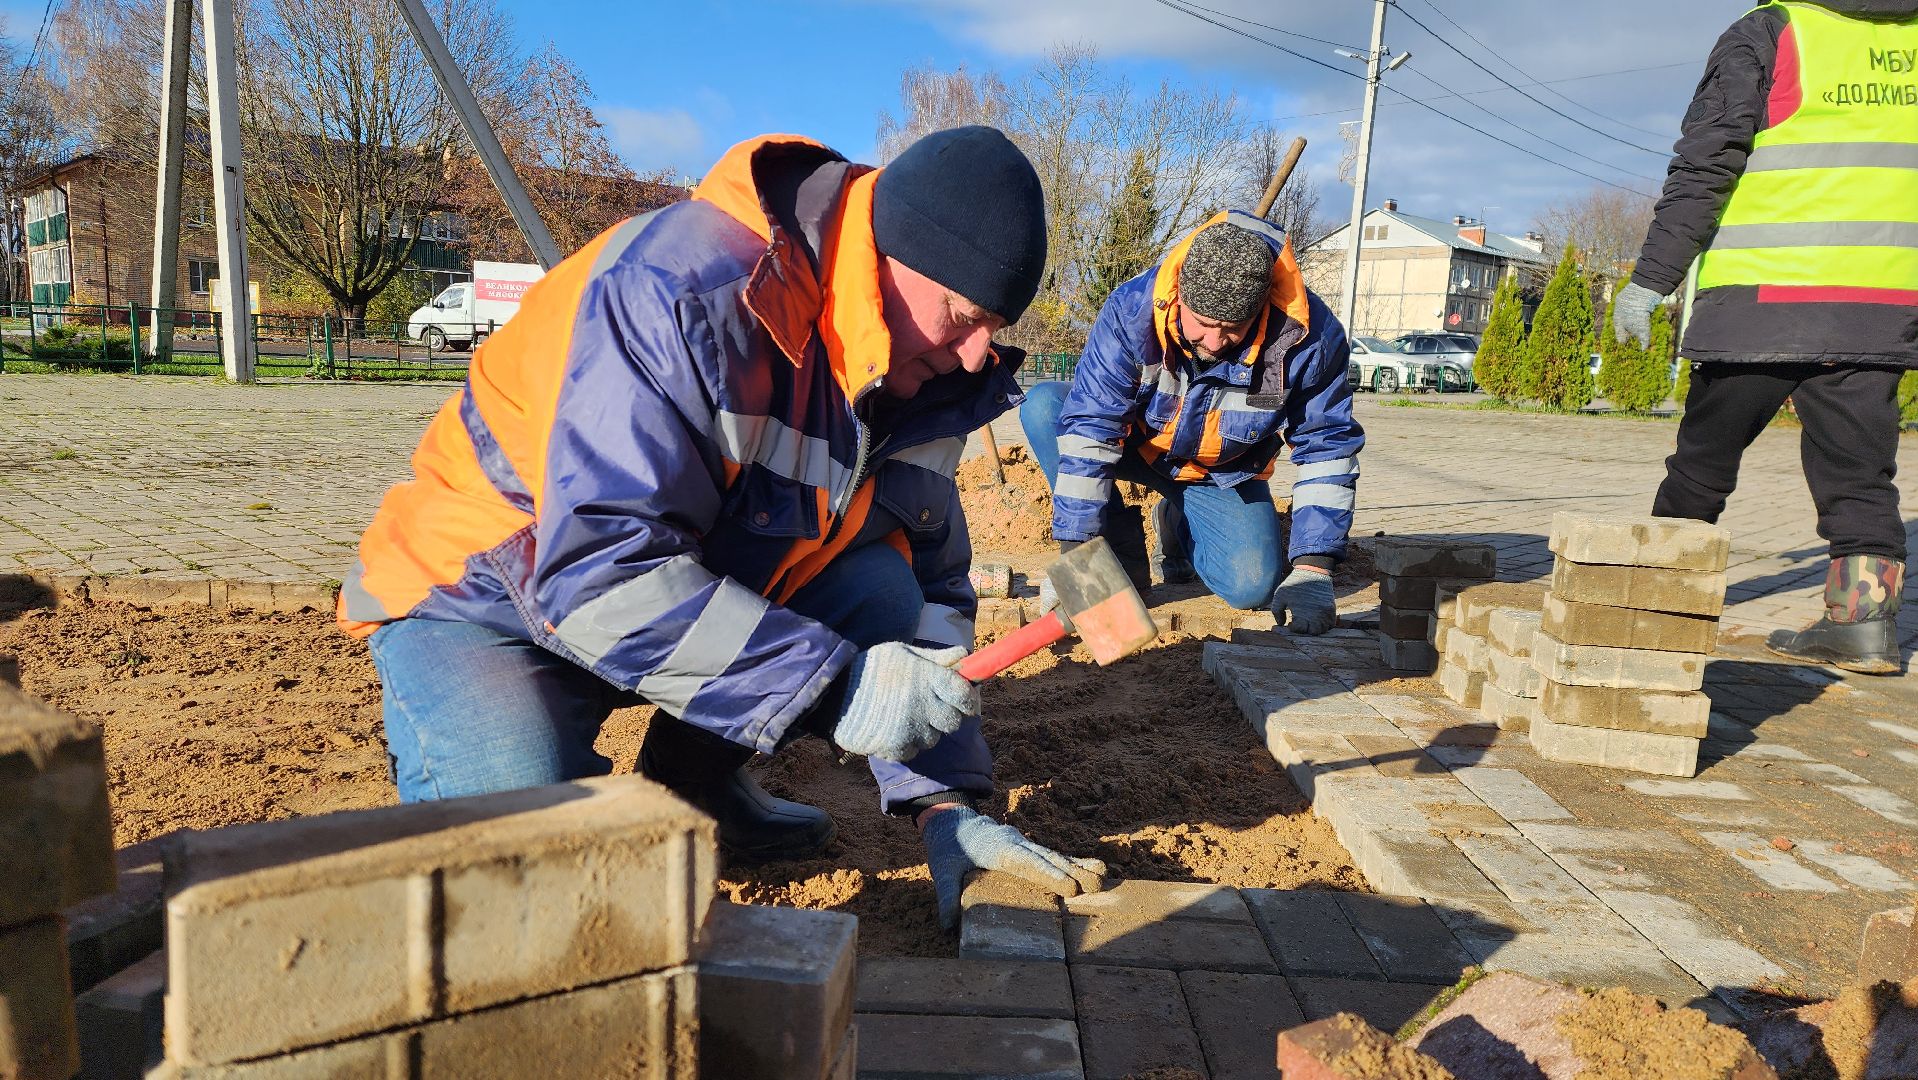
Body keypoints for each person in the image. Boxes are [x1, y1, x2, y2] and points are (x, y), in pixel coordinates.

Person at [338, 127, 1105, 927]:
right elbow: (599, 568)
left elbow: (931, 588)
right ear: (885, 255)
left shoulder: (927, 381)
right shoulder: (682, 295)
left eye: (995, 325)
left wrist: (946, 803)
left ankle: (693, 790)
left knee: (879, 584)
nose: (979, 355)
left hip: (668, 582)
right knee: (529, 880)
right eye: (961, 314)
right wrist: (839, 686)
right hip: (484, 594)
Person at [1615, 0, 1916, 675]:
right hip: (1877, 304)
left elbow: (1704, 165)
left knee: (1701, 467)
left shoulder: (1773, 30)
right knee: (1861, 477)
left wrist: (1651, 279)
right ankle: (1863, 627)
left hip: (1761, 300)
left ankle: (1658, 607)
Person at [1021, 212, 1364, 633]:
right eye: (1203, 325)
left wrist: (1315, 568)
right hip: (1136, 443)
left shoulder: (1309, 339)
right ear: (1179, 295)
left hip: (1216, 472)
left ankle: (1176, 521)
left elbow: (1326, 445)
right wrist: (1076, 560)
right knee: (1044, 408)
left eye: (1233, 329)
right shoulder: (1132, 312)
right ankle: (1114, 552)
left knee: (1254, 587)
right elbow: (1092, 427)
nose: (1216, 343)